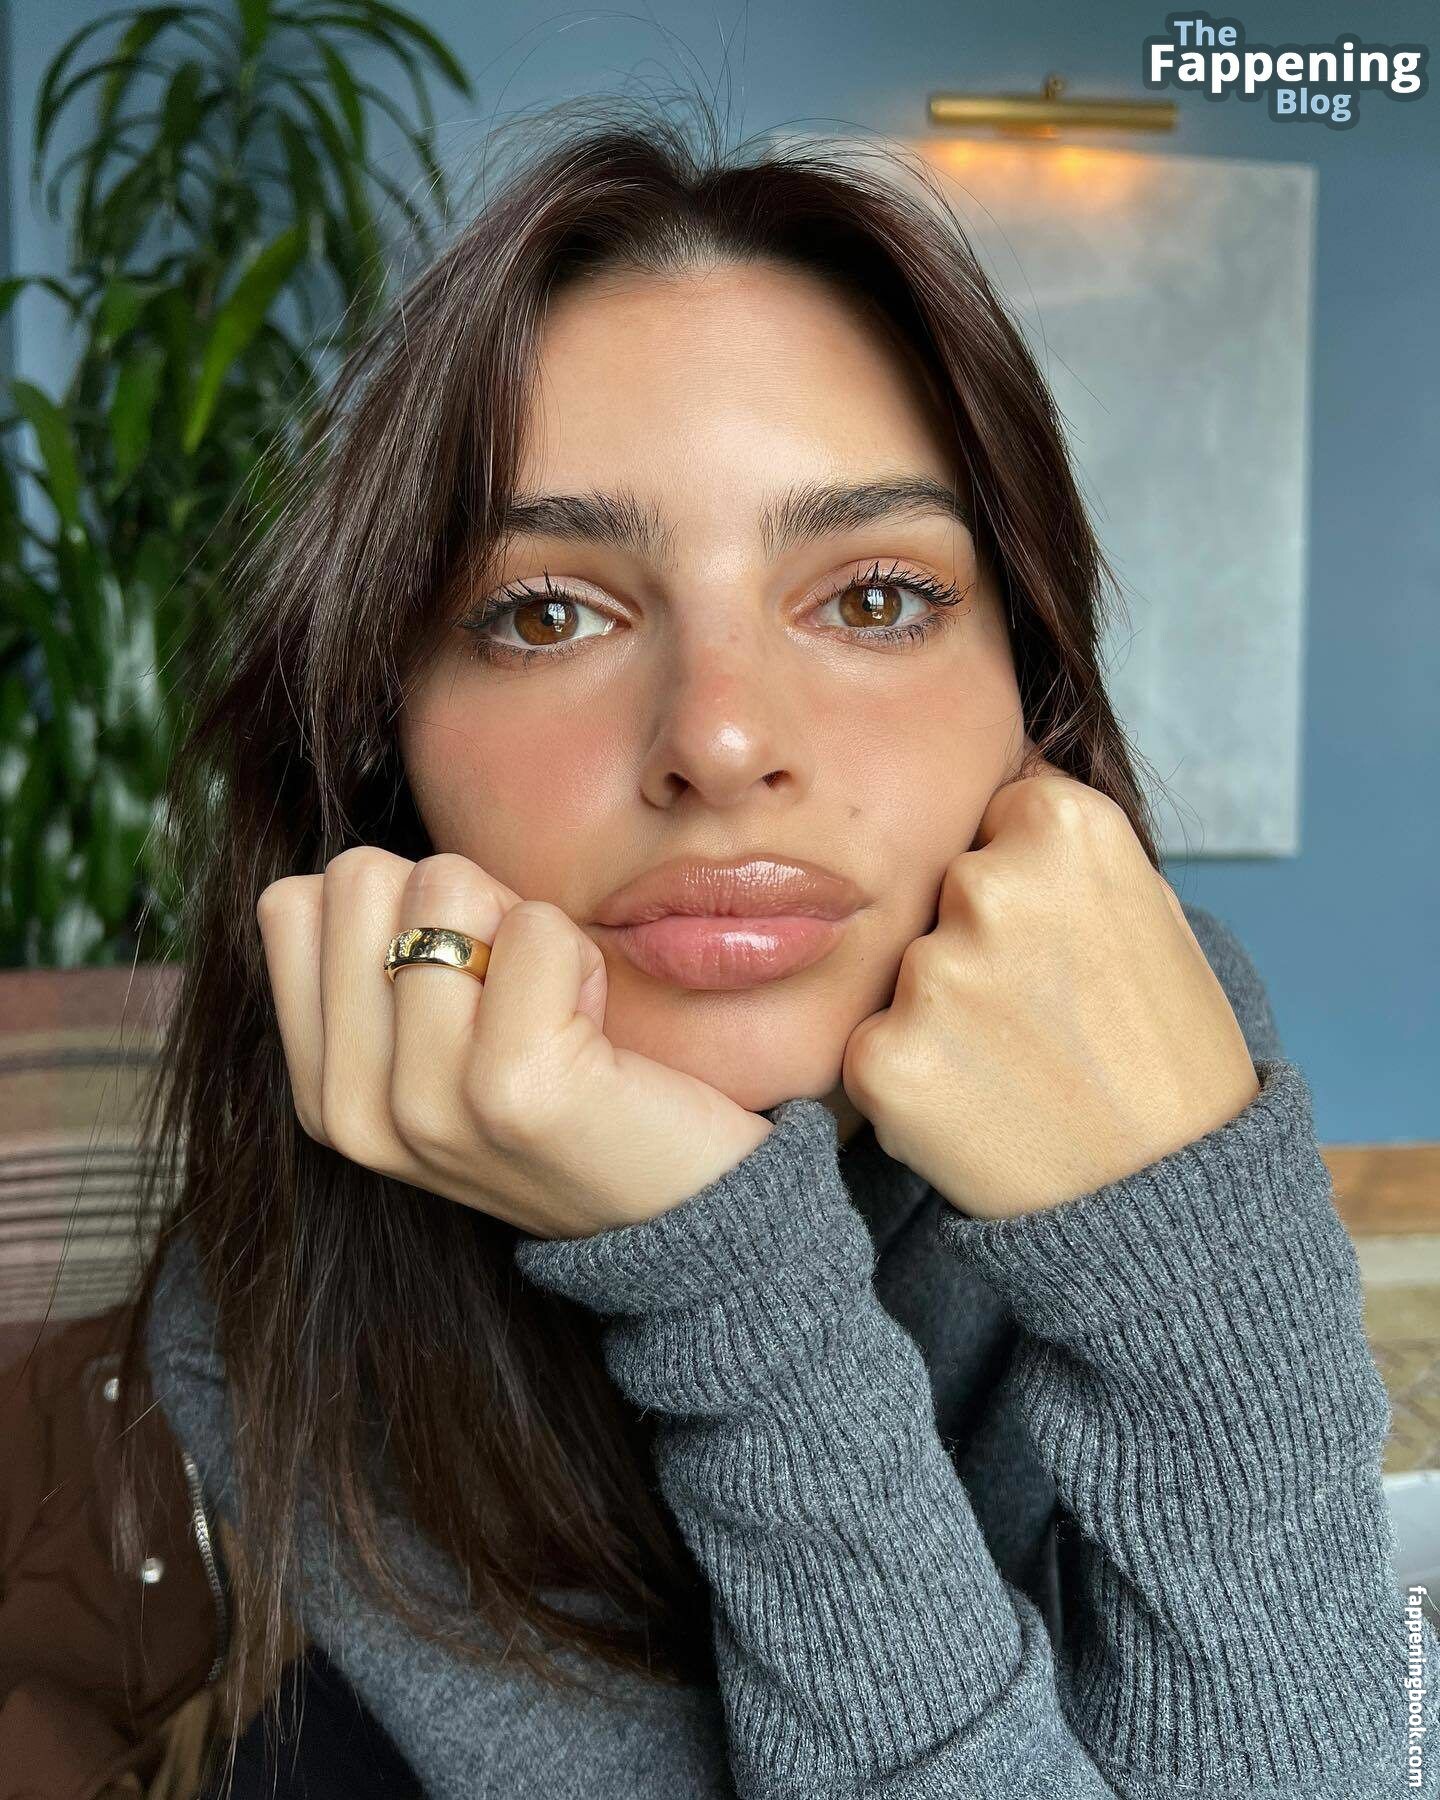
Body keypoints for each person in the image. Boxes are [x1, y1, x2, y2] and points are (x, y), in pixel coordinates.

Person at [116, 93, 1438, 1799]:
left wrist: (1197, 1273)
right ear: (386, 745)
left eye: (876, 598)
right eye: (547, 612)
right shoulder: (295, 1288)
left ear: (1029, 694)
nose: (723, 740)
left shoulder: (1149, 1051)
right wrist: (729, 1288)